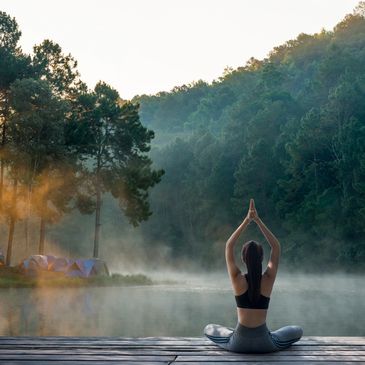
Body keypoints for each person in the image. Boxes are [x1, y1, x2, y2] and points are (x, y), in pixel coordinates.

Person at [204, 199, 303, 353]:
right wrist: (257, 220)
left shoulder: (237, 279)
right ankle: (266, 335)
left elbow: (229, 246)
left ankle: (231, 333)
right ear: (262, 258)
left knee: (208, 328)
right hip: (265, 344)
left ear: (243, 259)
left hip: (239, 344)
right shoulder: (268, 279)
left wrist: (247, 221)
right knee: (297, 330)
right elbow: (276, 247)